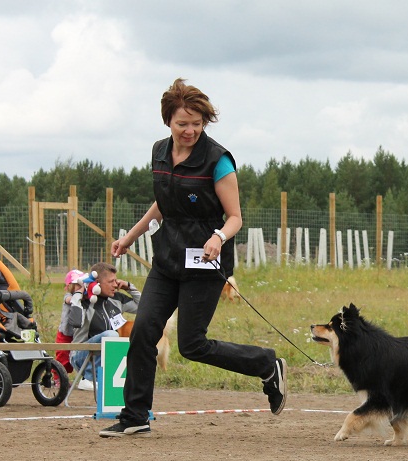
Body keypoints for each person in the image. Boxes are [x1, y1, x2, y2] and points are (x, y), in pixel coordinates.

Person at [100, 78, 287, 438]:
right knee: (143, 331)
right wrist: (130, 237)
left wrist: (218, 237)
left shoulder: (218, 160)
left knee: (191, 345)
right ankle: (135, 415)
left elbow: (235, 217)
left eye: (197, 124)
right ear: (168, 121)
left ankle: (266, 364)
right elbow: (163, 203)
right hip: (167, 259)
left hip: (204, 262)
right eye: (182, 123)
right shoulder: (159, 152)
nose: (190, 131)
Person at [69, 262, 140, 391]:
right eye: (111, 281)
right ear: (97, 283)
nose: (115, 285)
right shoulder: (85, 301)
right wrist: (77, 295)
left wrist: (129, 287)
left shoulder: (116, 299)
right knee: (111, 335)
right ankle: (88, 378)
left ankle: (119, 380)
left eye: (115, 281)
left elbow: (144, 307)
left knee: (128, 337)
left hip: (105, 355)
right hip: (80, 355)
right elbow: (75, 322)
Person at [54, 269, 85, 373]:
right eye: (78, 285)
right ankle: (58, 377)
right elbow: (69, 300)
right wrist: (78, 295)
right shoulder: (68, 296)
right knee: (62, 358)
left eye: (83, 285)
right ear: (71, 286)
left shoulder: (84, 299)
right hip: (65, 334)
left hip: (77, 335)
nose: (81, 287)